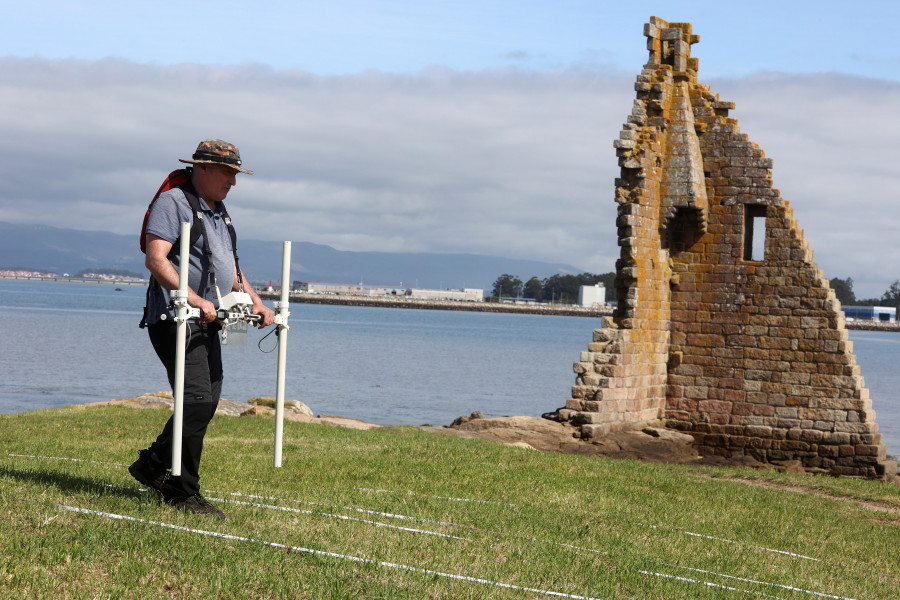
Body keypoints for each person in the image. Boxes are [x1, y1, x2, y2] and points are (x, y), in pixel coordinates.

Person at [129, 139, 275, 519]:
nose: (234, 182)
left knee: (207, 402)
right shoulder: (173, 202)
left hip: (210, 320)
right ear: (204, 168)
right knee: (196, 401)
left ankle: (152, 465)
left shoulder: (219, 211)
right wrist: (194, 299)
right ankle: (181, 490)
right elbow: (155, 259)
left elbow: (229, 267)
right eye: (228, 173)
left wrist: (255, 301)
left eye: (236, 174)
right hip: (175, 319)